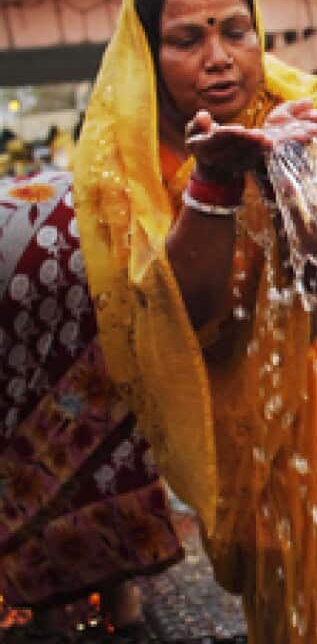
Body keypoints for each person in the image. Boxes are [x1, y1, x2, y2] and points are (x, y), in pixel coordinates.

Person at [68, 0, 317, 642]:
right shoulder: (122, 157)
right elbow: (182, 321)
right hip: (230, 409)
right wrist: (213, 185)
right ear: (149, 51)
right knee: (280, 590)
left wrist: (284, 175)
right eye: (187, 40)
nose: (219, 58)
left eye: (235, 31)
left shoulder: (304, 107)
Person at [1, 168, 182, 638]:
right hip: (86, 244)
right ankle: (123, 607)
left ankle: (50, 614)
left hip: (56, 254)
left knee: (22, 451)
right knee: (107, 425)